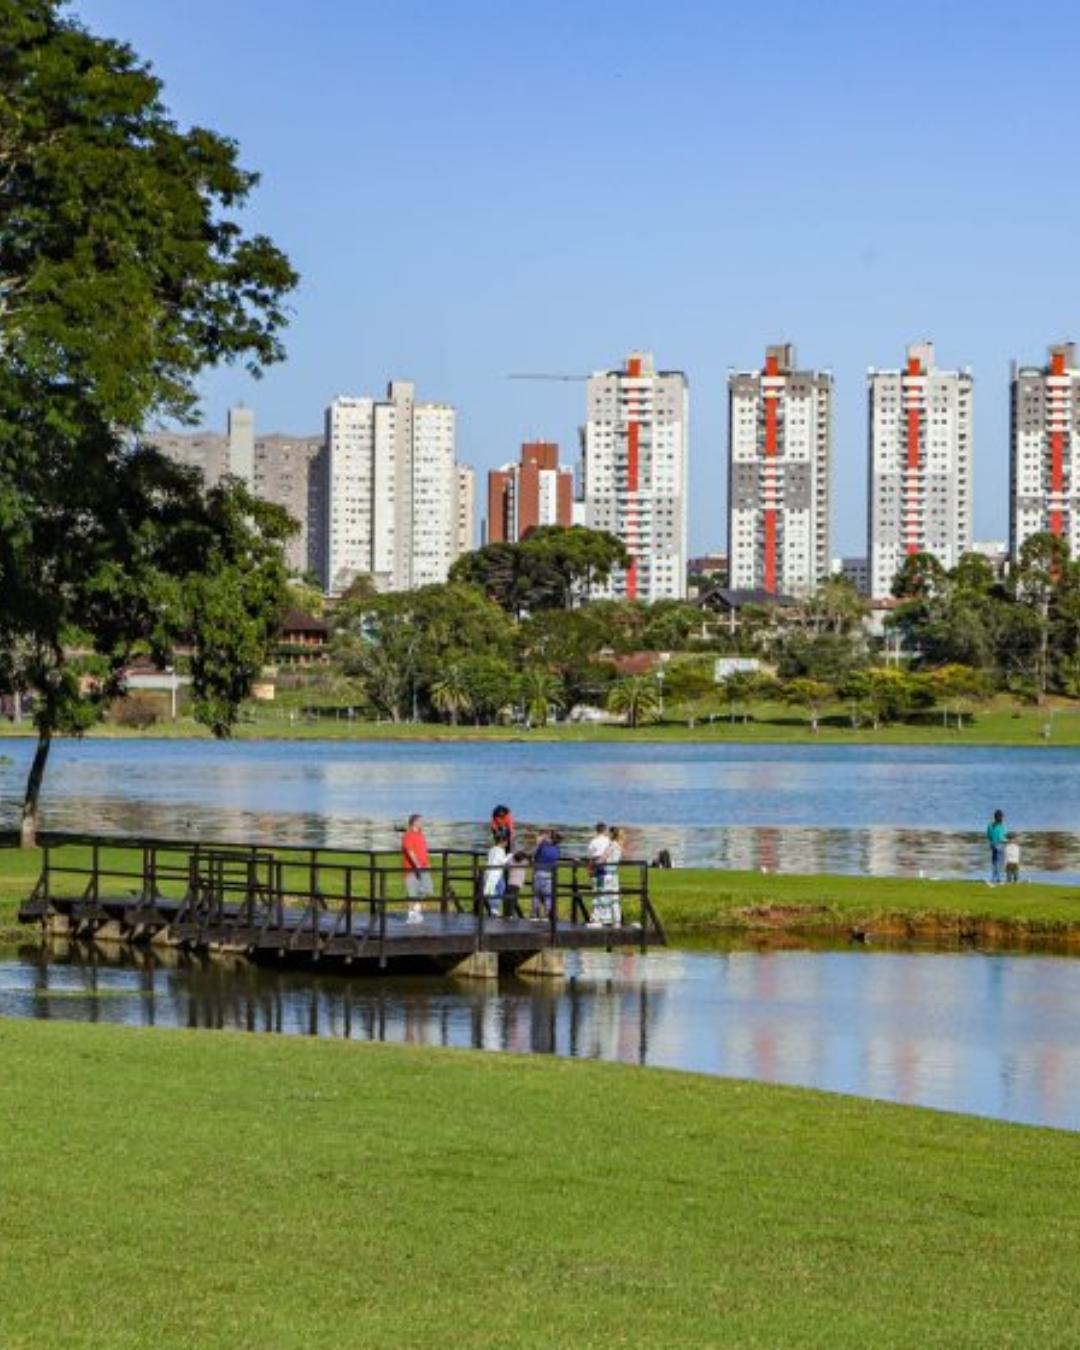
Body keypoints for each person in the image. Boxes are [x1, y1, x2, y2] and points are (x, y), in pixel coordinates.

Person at [401, 814, 432, 912]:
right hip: (411, 869)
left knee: (428, 889)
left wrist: (427, 864)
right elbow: (410, 852)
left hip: (424, 867)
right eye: (420, 821)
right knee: (412, 893)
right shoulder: (408, 835)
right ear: (414, 822)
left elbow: (423, 851)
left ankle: (416, 904)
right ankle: (412, 916)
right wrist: (417, 865)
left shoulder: (421, 835)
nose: (422, 823)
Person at [597, 826, 624, 926]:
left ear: (612, 834)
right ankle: (617, 920)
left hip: (608, 874)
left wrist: (596, 863)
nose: (607, 835)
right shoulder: (619, 846)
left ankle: (604, 919)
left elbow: (603, 858)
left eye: (609, 833)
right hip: (615, 874)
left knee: (604, 895)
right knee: (615, 898)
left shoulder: (611, 845)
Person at [532, 829, 561, 920]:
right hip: (550, 873)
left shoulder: (543, 846)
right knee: (548, 896)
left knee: (536, 895)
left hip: (539, 872)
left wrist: (538, 842)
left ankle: (535, 914)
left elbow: (533, 854)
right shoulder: (556, 849)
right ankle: (547, 915)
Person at [483, 835, 509, 915]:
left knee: (494, 890)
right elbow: (502, 862)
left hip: (490, 872)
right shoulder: (500, 850)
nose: (507, 843)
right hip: (495, 874)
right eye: (506, 841)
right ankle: (494, 908)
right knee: (499, 889)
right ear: (503, 842)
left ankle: (494, 908)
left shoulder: (492, 849)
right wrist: (509, 856)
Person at [587, 821, 609, 903]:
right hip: (604, 861)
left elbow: (590, 854)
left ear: (597, 830)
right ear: (604, 830)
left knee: (595, 883)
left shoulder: (593, 841)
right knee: (602, 883)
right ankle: (602, 900)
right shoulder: (607, 840)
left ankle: (596, 900)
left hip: (595, 861)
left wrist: (589, 868)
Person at [504, 851, 528, 917]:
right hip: (518, 883)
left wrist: (511, 855)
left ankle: (510, 914)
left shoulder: (511, 862)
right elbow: (527, 858)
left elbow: (506, 864)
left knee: (510, 899)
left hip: (511, 882)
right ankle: (520, 915)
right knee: (513, 899)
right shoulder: (524, 863)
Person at [986, 809, 1006, 885]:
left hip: (993, 845)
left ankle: (994, 878)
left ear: (994, 817)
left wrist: (992, 841)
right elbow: (1002, 837)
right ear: (1001, 817)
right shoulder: (1001, 825)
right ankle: (999, 879)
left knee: (994, 862)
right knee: (1000, 862)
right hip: (1000, 845)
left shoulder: (990, 825)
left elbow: (988, 836)